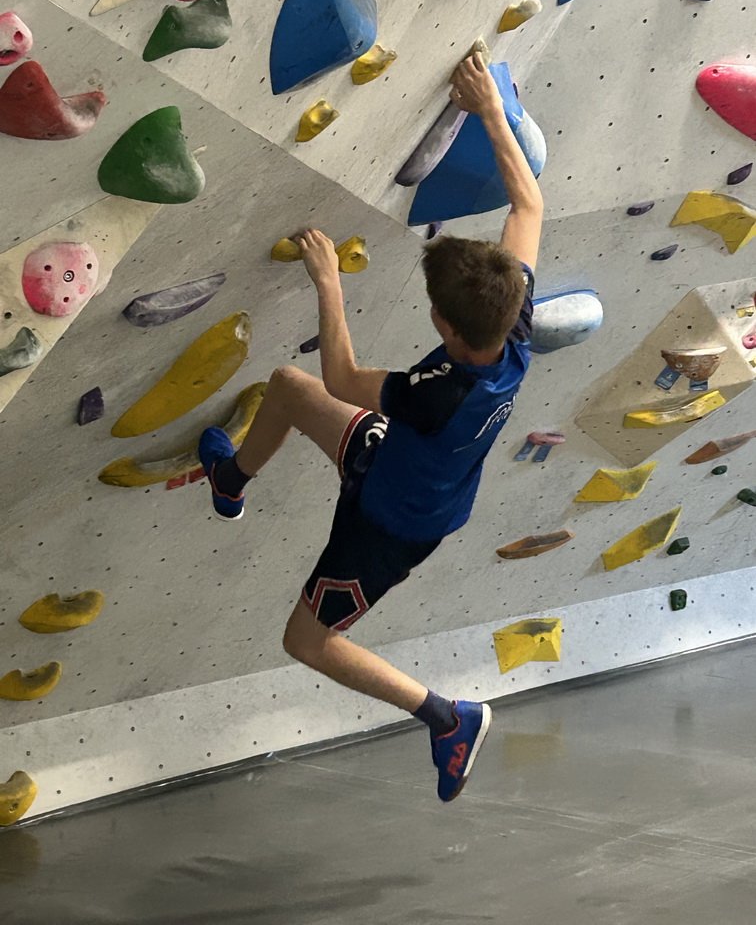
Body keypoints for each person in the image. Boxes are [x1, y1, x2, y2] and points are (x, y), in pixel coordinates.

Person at [198, 52, 544, 802]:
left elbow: (344, 378)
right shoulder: (513, 323)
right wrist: (489, 107)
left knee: (307, 640)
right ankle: (230, 481)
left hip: (389, 529)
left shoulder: (437, 393)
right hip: (400, 465)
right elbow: (529, 206)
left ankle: (446, 717)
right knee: (286, 389)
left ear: (444, 327)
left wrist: (328, 282)